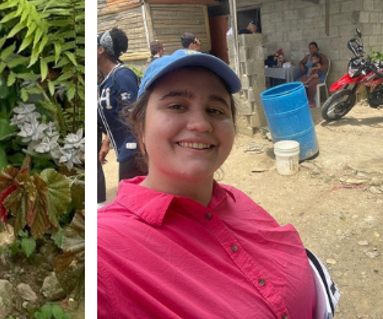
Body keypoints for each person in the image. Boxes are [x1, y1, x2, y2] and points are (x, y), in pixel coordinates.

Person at [98, 49, 339, 318]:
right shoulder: (105, 248)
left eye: (215, 110)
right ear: (140, 129)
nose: (201, 124)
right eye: (177, 105)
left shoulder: (235, 200)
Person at [98, 29, 146, 186]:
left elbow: (135, 112)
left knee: (131, 199)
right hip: (125, 150)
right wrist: (106, 143)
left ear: (100, 50)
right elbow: (116, 114)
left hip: (134, 150)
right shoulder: (108, 80)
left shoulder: (122, 76)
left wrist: (142, 150)